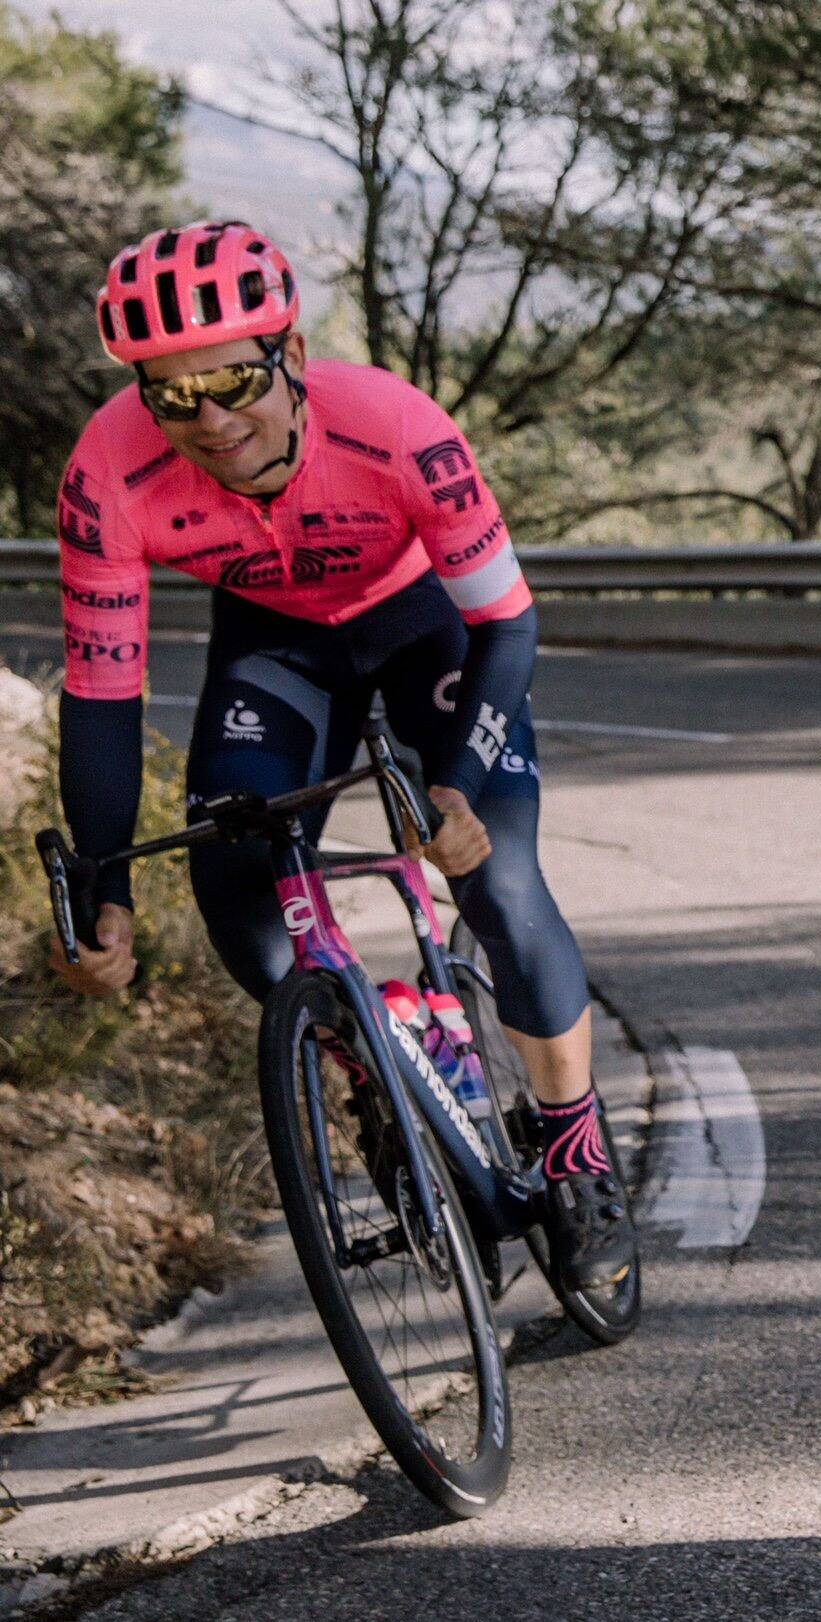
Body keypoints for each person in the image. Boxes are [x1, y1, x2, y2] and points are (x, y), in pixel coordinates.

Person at [49, 220, 636, 1296]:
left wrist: (456, 786)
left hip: (426, 630)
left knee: (495, 877)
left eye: (234, 380)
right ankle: (384, 1070)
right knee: (239, 903)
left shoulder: (397, 428)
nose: (213, 420)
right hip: (274, 646)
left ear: (293, 359)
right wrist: (100, 885)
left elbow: (507, 623)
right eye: (174, 397)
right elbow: (100, 692)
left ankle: (575, 1154)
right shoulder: (106, 473)